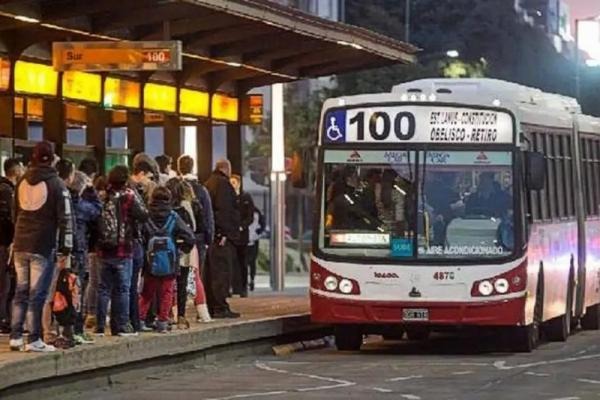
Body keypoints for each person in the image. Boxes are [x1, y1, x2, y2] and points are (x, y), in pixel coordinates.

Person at [10, 141, 73, 352]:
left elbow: (14, 213)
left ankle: (16, 335)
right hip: (42, 244)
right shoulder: (57, 184)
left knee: (20, 291)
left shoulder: (21, 181)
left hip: (20, 241)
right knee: (37, 293)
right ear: (52, 158)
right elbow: (65, 218)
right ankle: (34, 338)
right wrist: (66, 248)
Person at [96, 165, 149, 337]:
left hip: (103, 250)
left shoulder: (102, 195)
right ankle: (121, 325)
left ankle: (99, 326)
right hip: (123, 248)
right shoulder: (129, 195)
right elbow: (143, 215)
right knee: (123, 289)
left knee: (103, 289)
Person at [139, 186, 195, 333]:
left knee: (147, 292)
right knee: (167, 292)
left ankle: (140, 319)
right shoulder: (173, 217)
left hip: (150, 261)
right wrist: (180, 251)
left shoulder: (146, 216)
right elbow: (190, 237)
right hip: (170, 262)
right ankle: (162, 322)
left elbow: (139, 236)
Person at [203, 159, 241, 318]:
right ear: (226, 169)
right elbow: (225, 211)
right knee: (222, 272)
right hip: (221, 238)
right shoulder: (224, 185)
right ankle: (220, 307)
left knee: (211, 273)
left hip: (211, 236)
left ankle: (212, 305)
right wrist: (224, 234)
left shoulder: (208, 183)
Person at [68, 171, 101, 344]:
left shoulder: (64, 201)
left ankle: (62, 329)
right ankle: (77, 330)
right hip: (78, 250)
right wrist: (92, 191)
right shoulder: (81, 205)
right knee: (77, 290)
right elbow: (97, 210)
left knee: (61, 292)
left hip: (60, 251)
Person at [127, 154, 157, 332]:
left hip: (130, 243)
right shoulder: (134, 193)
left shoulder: (129, 190)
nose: (150, 181)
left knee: (129, 285)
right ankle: (135, 320)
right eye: (149, 177)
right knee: (131, 285)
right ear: (142, 173)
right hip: (134, 243)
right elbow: (143, 218)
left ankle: (133, 319)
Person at [0, 158, 24, 333]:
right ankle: (4, 319)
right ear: (16, 171)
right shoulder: (8, 191)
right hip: (4, 242)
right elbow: (10, 219)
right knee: (5, 284)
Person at [229, 174, 255, 297]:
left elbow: (250, 216)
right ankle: (233, 288)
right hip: (231, 235)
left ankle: (243, 288)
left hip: (243, 235)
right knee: (231, 262)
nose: (232, 185)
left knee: (242, 262)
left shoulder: (246, 197)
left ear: (238, 183)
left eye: (234, 182)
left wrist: (242, 226)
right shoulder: (227, 198)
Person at [246, 207, 265, 292]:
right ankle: (249, 280)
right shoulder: (256, 212)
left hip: (252, 240)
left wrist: (257, 234)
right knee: (249, 262)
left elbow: (262, 225)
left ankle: (251, 279)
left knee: (250, 262)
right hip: (248, 240)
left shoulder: (256, 212)